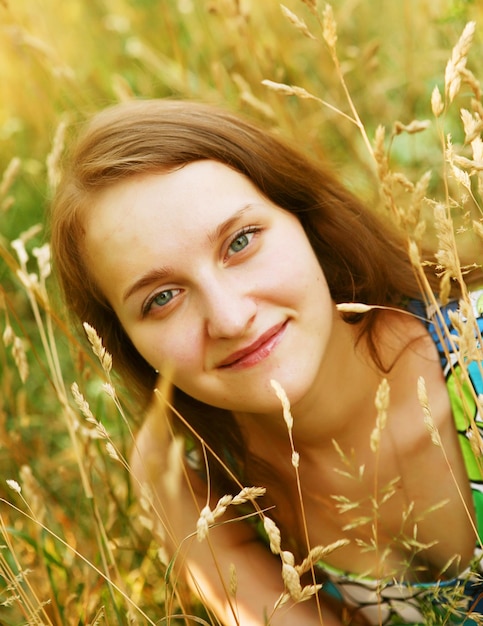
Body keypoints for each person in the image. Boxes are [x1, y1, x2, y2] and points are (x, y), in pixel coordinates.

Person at [50, 98, 483, 625]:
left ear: (305, 220)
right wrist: (167, 487)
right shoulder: (200, 482)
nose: (230, 318)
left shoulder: (475, 358)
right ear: (126, 343)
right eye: (162, 297)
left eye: (240, 241)